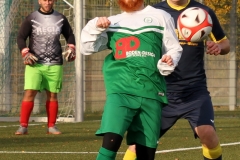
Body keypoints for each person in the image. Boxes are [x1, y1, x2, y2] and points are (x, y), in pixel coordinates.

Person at [124, 0, 230, 160]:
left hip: (194, 91)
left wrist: (219, 47)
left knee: (207, 133)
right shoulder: (153, 12)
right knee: (138, 144)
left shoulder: (203, 11)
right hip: (160, 91)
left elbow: (225, 43)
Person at [80, 0, 182, 159]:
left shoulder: (161, 16)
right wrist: (95, 26)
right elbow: (86, 48)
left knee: (146, 153)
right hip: (120, 90)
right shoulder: (112, 22)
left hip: (151, 92)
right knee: (111, 142)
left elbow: (173, 48)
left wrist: (169, 61)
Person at [15, 0, 76, 135]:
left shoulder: (61, 18)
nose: (47, 2)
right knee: (30, 92)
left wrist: (71, 47)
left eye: (50, 0)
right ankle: (23, 126)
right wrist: (25, 51)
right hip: (34, 64)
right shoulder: (31, 18)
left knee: (53, 95)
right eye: (44, 0)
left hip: (55, 63)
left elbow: (70, 35)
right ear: (39, 1)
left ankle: (51, 126)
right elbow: (20, 37)